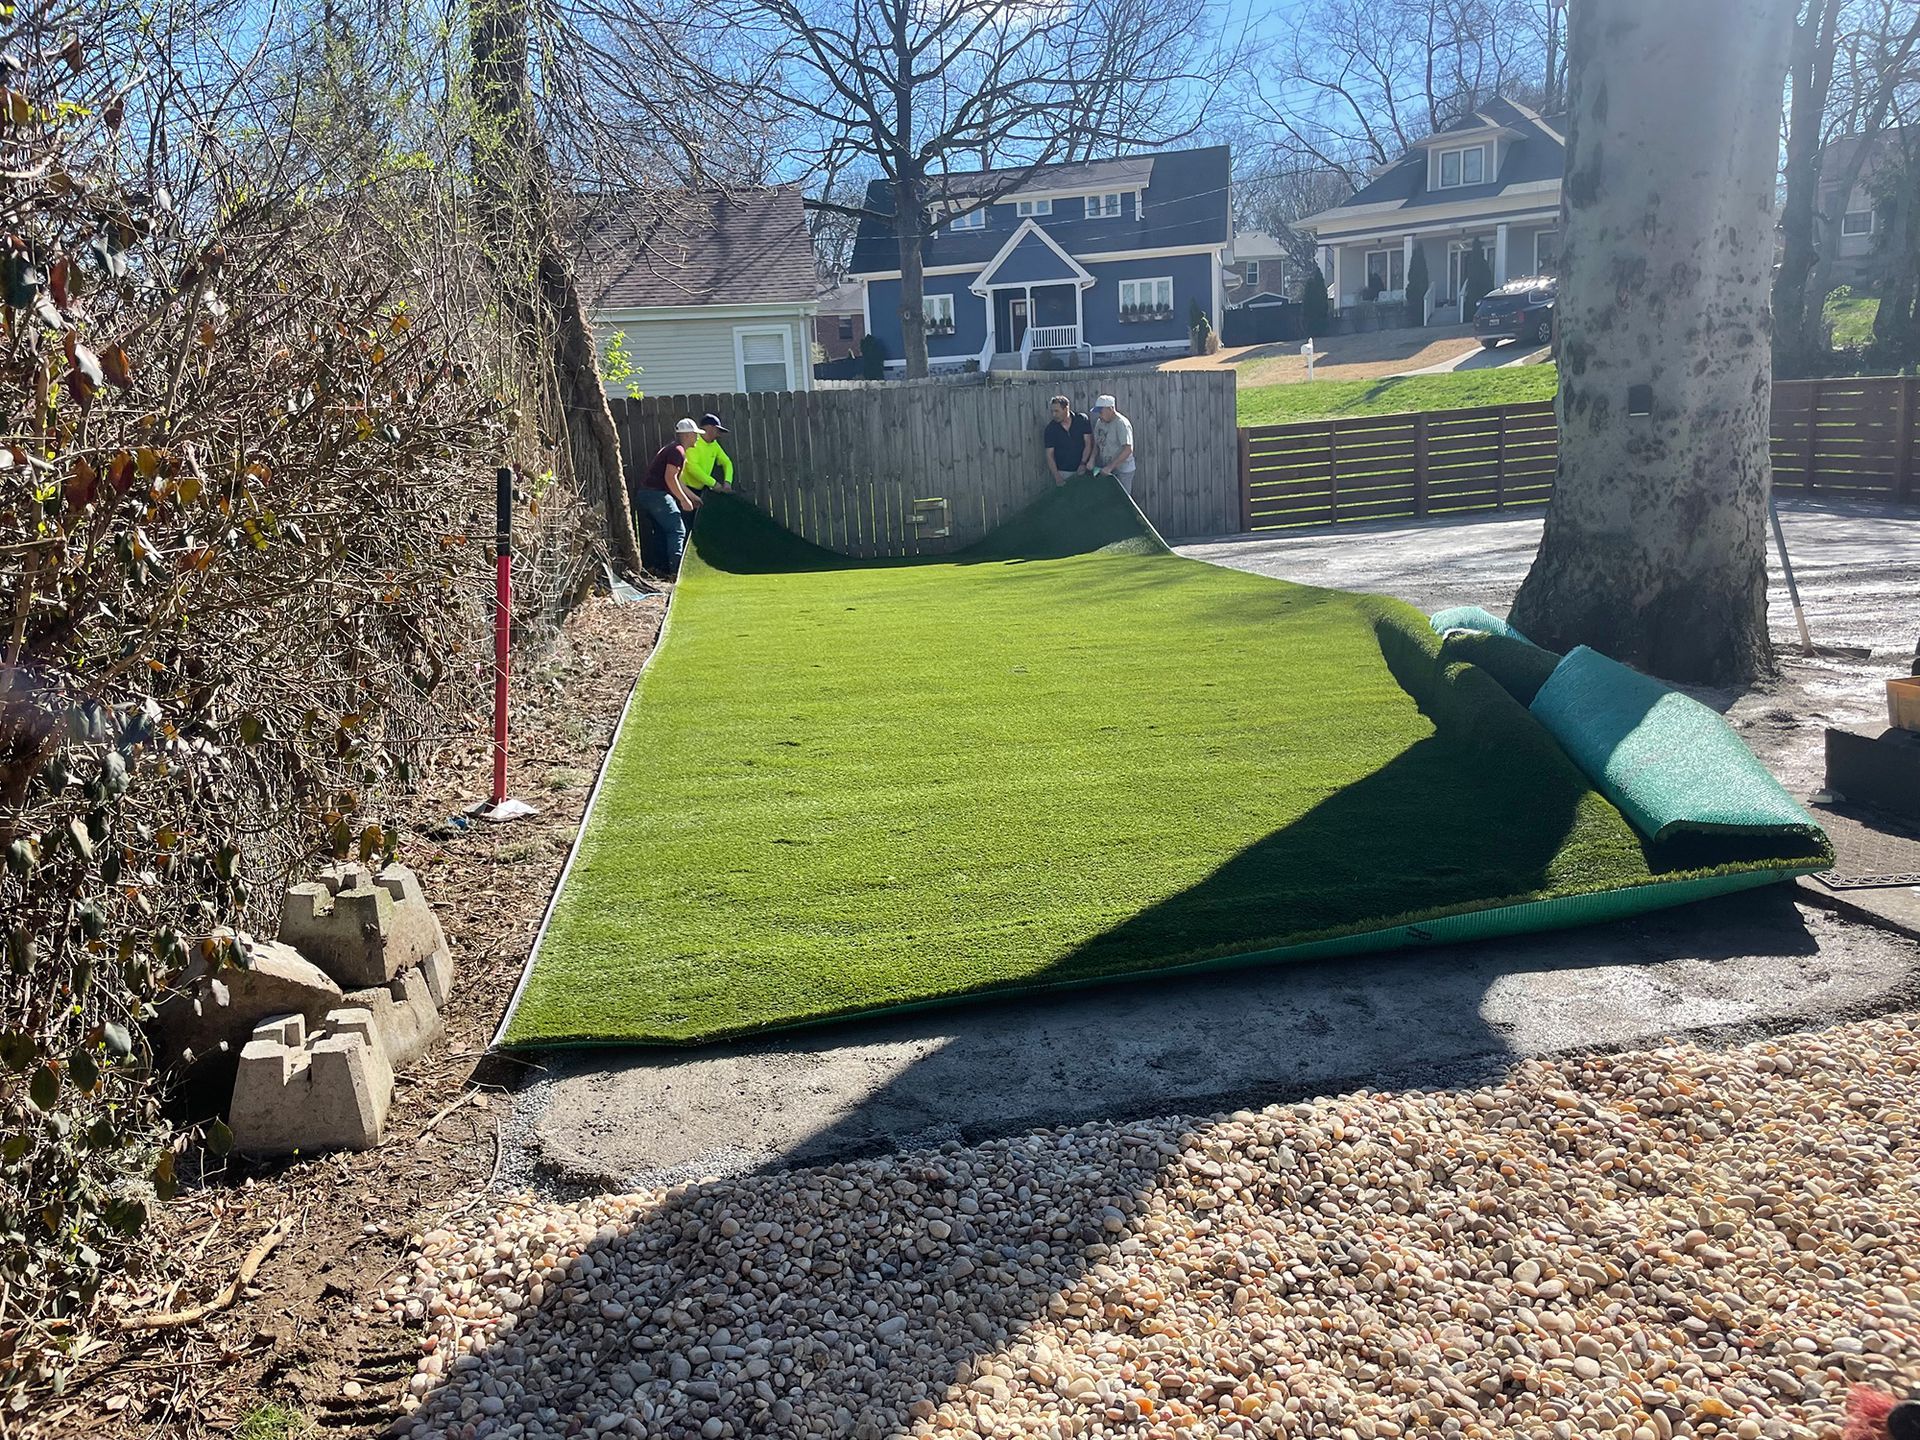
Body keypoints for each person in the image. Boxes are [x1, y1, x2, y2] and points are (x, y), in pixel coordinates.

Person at [632, 419, 700, 577]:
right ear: (687, 435)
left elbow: (677, 480)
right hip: (656, 495)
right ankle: (677, 573)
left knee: (662, 532)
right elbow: (670, 478)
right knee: (678, 530)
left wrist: (693, 497)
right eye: (695, 434)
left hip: (647, 495)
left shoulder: (673, 448)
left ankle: (660, 569)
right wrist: (683, 500)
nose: (697, 437)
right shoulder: (677, 451)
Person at [1042, 394, 1094, 487]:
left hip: (1083, 469)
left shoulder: (1081, 420)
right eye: (1052, 411)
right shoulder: (1050, 429)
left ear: (1066, 409)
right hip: (1063, 472)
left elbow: (1088, 443)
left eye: (1057, 411)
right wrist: (1057, 476)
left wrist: (1083, 463)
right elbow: (1049, 455)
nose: (1054, 415)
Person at [1089, 394, 1136, 494]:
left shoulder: (1121, 424)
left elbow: (1128, 449)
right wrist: (1092, 459)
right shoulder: (1099, 423)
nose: (1099, 415)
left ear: (1110, 409)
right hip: (1106, 469)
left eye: (1101, 412)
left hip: (1123, 470)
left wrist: (1110, 467)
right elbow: (1097, 444)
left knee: (1121, 499)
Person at [681, 412, 735, 496]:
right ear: (709, 428)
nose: (719, 434)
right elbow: (691, 467)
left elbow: (727, 462)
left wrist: (728, 482)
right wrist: (713, 483)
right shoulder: (694, 441)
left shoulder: (714, 445)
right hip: (685, 488)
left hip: (701, 489)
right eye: (717, 430)